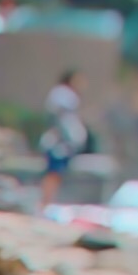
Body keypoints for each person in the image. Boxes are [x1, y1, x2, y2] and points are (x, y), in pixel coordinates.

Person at [38, 69, 88, 212]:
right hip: (59, 144)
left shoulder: (65, 96)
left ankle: (47, 203)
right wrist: (70, 137)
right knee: (53, 174)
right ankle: (45, 204)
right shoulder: (63, 95)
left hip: (64, 144)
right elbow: (62, 120)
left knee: (57, 175)